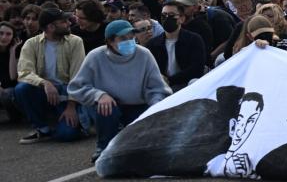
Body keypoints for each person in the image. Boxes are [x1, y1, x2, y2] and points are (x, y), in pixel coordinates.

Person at [68, 19, 172, 161]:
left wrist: (155, 105)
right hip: (110, 106)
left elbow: (156, 87)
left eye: (131, 37)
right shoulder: (95, 56)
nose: (129, 41)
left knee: (143, 150)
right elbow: (77, 87)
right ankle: (103, 146)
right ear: (110, 41)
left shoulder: (144, 54)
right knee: (105, 107)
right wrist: (99, 95)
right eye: (123, 38)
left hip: (137, 105)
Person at [14, 9, 84, 144]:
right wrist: (45, 83)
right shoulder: (31, 44)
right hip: (44, 92)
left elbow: (78, 76)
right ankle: (43, 129)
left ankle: (71, 122)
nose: (69, 23)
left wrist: (71, 107)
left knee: (67, 135)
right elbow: (24, 73)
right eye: (63, 22)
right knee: (22, 88)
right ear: (51, 27)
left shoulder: (75, 41)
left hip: (67, 93)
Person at [145, 0, 206, 91]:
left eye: (171, 15)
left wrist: (170, 80)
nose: (166, 18)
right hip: (162, 86)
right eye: (164, 15)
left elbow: (197, 68)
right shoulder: (153, 44)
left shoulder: (194, 39)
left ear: (182, 19)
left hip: (186, 84)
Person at [0, 22, 23, 122]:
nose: (4, 37)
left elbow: (13, 76)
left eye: (8, 34)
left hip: (10, 89)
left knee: (7, 93)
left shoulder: (17, 50)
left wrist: (12, 51)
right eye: (1, 33)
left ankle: (15, 116)